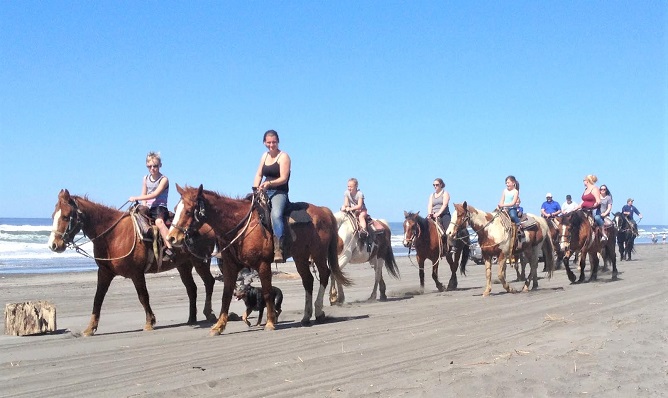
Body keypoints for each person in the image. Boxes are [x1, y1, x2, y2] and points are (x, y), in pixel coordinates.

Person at [253, 130, 291, 263]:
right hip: (264, 191)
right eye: (268, 142)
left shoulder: (284, 156)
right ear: (264, 142)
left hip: (279, 192)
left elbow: (284, 178)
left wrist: (269, 183)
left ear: (278, 142)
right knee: (248, 210)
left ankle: (279, 248)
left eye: (274, 142)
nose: (271, 145)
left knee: (275, 214)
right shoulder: (264, 156)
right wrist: (255, 189)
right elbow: (259, 174)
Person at [129, 151, 174, 261]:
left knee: (159, 222)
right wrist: (143, 206)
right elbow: (144, 193)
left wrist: (136, 198)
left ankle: (170, 248)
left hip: (160, 207)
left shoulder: (164, 179)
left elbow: (155, 194)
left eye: (155, 166)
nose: (152, 169)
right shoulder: (145, 178)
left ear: (160, 166)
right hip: (149, 207)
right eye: (149, 166)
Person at [578, 174, 606, 241]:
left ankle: (603, 233)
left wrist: (593, 206)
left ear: (587, 181)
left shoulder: (594, 188)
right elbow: (583, 201)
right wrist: (576, 208)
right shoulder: (586, 189)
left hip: (593, 209)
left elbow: (598, 201)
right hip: (584, 209)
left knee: (597, 218)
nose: (583, 182)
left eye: (584, 180)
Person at [497, 175, 523, 240]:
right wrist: (499, 205)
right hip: (504, 208)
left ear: (513, 183)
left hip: (512, 208)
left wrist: (503, 205)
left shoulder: (515, 192)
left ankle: (519, 225)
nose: (507, 184)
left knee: (513, 216)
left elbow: (513, 203)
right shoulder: (505, 191)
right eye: (506, 183)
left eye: (508, 182)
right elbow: (502, 200)